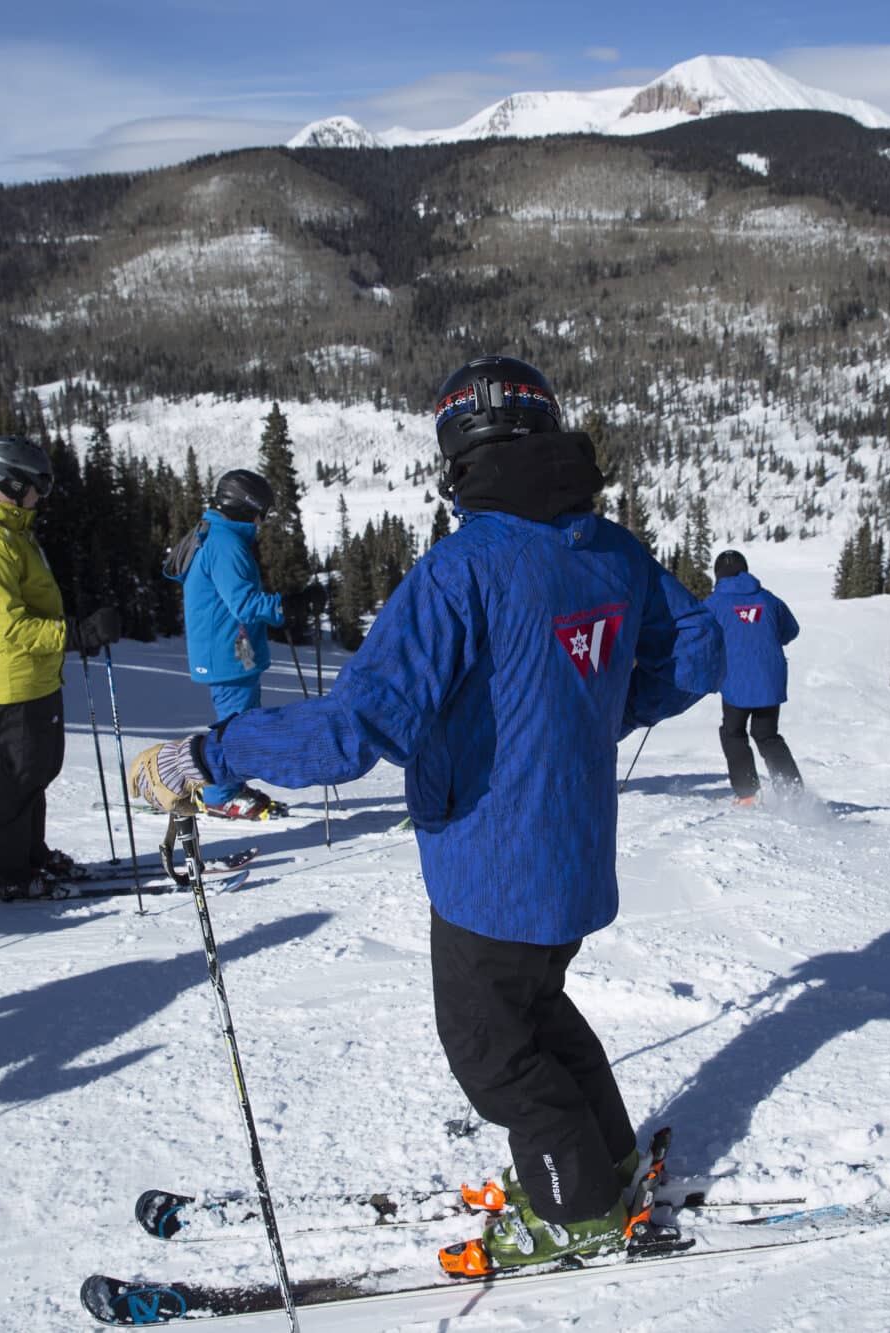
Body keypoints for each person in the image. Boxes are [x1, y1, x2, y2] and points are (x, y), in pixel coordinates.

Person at [132, 355, 723, 1270]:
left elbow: (351, 729)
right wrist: (601, 708)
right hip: (571, 855)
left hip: (489, 865)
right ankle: (603, 1156)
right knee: (538, 1008)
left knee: (490, 1049)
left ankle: (581, 1205)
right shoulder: (609, 547)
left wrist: (213, 752)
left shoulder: (464, 568)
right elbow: (699, 646)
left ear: (458, 453)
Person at [0, 434, 120, 899]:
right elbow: (7, 623)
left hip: (34, 671)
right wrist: (74, 635)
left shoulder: (9, 529)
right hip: (13, 676)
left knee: (38, 770)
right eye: (38, 485)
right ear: (12, 481)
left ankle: (29, 855)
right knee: (21, 775)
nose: (42, 495)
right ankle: (3, 874)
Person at [163, 468, 310, 820]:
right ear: (247, 507)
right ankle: (219, 794)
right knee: (238, 727)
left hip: (226, 649)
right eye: (262, 512)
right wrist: (285, 606)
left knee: (240, 723)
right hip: (228, 653)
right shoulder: (226, 544)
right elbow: (244, 604)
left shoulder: (214, 533)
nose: (263, 520)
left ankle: (229, 784)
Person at [701, 549, 803, 804]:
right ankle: (792, 794)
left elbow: (701, 636)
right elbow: (791, 630)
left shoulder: (714, 603)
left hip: (736, 680)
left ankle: (747, 793)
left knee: (733, 732)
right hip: (770, 678)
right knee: (767, 735)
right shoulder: (768, 599)